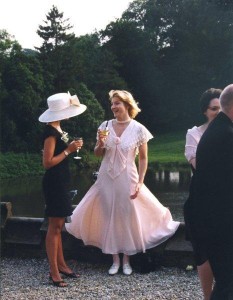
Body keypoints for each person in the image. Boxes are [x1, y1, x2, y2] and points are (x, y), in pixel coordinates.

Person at [66, 90, 180, 275]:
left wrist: (140, 182)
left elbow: (143, 159)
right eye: (112, 103)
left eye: (117, 103)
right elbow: (97, 153)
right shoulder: (104, 125)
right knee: (108, 214)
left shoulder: (139, 129)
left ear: (127, 105)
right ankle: (115, 260)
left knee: (126, 215)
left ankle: (127, 259)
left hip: (128, 176)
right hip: (106, 177)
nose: (113, 106)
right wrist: (101, 143)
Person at [186, 84, 233, 300]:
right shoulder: (225, 134)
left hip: (213, 217)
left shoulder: (219, 130)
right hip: (220, 221)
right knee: (227, 284)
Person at [39, 92, 87, 287]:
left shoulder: (57, 129)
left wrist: (69, 147)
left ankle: (62, 265)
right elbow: (47, 163)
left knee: (59, 227)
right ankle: (54, 271)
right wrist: (69, 150)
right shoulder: (51, 133)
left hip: (61, 182)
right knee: (54, 227)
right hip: (54, 183)